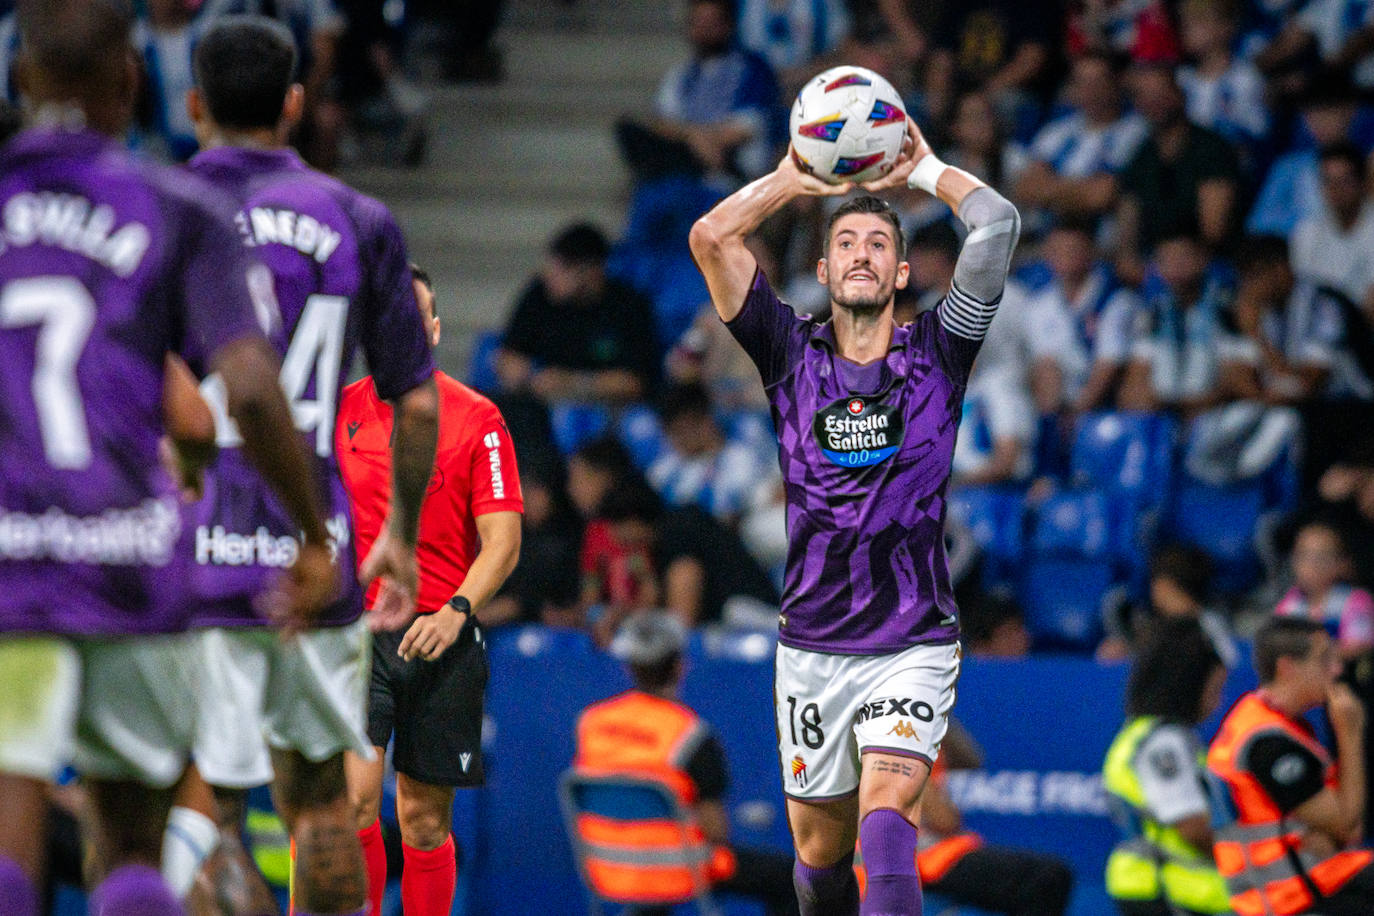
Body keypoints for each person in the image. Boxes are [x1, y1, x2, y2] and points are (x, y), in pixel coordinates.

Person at [0, 1, 342, 913]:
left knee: (10, 822)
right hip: (129, 558)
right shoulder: (179, 207)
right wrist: (311, 532)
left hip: (8, 561)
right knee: (134, 846)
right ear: (129, 82)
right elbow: (250, 389)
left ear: (22, 78)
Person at [689, 112, 1020, 914]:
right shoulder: (786, 350)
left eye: (878, 245)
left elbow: (997, 224)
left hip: (913, 637)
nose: (862, 255)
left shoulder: (941, 352)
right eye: (846, 246)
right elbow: (710, 238)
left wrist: (927, 168)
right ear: (826, 270)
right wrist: (792, 180)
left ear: (902, 272)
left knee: (887, 817)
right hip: (812, 643)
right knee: (819, 855)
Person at [176, 15, 441, 916]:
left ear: (193, 103)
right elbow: (413, 399)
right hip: (315, 546)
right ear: (295, 104)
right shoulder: (360, 218)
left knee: (206, 805)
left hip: (198, 545)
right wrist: (398, 533)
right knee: (322, 798)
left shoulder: (165, 206)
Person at [338, 265, 523, 916]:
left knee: (421, 819)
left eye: (417, 314)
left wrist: (457, 611)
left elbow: (503, 540)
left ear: (437, 329)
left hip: (442, 636)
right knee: (355, 803)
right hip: (358, 635)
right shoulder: (341, 414)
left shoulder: (479, 419)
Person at [571, 610, 799, 916]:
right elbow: (716, 830)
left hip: (607, 868)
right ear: (680, 667)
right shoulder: (690, 736)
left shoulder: (592, 723)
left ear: (630, 668)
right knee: (789, 878)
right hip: (677, 870)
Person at [1207, 617, 1374, 915]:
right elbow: (1348, 825)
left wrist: (1332, 833)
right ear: (1287, 668)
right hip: (1294, 896)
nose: (1337, 670)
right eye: (1324, 660)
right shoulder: (1267, 743)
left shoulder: (1279, 724)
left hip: (1318, 880)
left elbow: (1349, 826)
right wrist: (1350, 733)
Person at [1102, 617, 1232, 916]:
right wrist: (1256, 858)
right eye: (1213, 690)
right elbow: (1193, 829)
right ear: (1186, 686)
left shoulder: (1145, 734)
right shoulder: (1164, 744)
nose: (1218, 702)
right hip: (1168, 890)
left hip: (1163, 888)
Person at [495, 222, 660, 406]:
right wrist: (521, 375)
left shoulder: (627, 306)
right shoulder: (539, 295)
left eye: (562, 269)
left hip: (609, 408)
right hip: (544, 403)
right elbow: (511, 354)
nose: (551, 276)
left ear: (590, 271)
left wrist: (574, 383)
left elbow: (634, 382)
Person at [1275, 518, 1374, 659]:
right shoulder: (1290, 602)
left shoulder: (1357, 600)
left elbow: (1359, 646)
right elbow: (1276, 644)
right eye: (1303, 555)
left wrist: (1314, 658)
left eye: (1321, 558)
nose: (1311, 566)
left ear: (1342, 564)